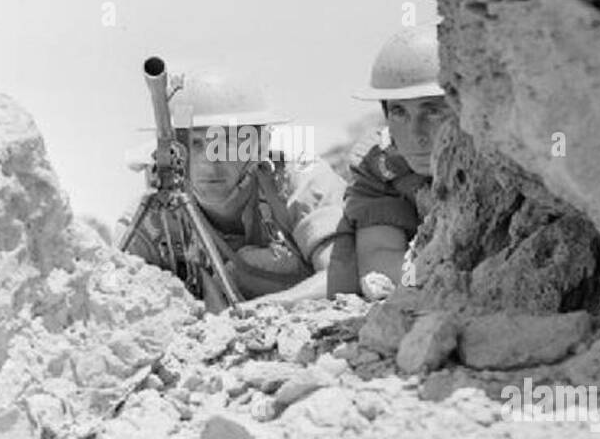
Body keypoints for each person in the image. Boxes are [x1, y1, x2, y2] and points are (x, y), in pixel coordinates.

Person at [117, 68, 346, 309]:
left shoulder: (299, 182)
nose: (209, 160)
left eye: (227, 142)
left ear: (259, 145)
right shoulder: (150, 220)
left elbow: (341, 274)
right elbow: (111, 299)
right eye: (194, 143)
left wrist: (261, 310)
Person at [326, 26, 451, 298]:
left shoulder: (505, 160)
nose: (416, 134)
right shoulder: (380, 166)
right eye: (399, 112)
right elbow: (379, 263)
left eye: (432, 111)